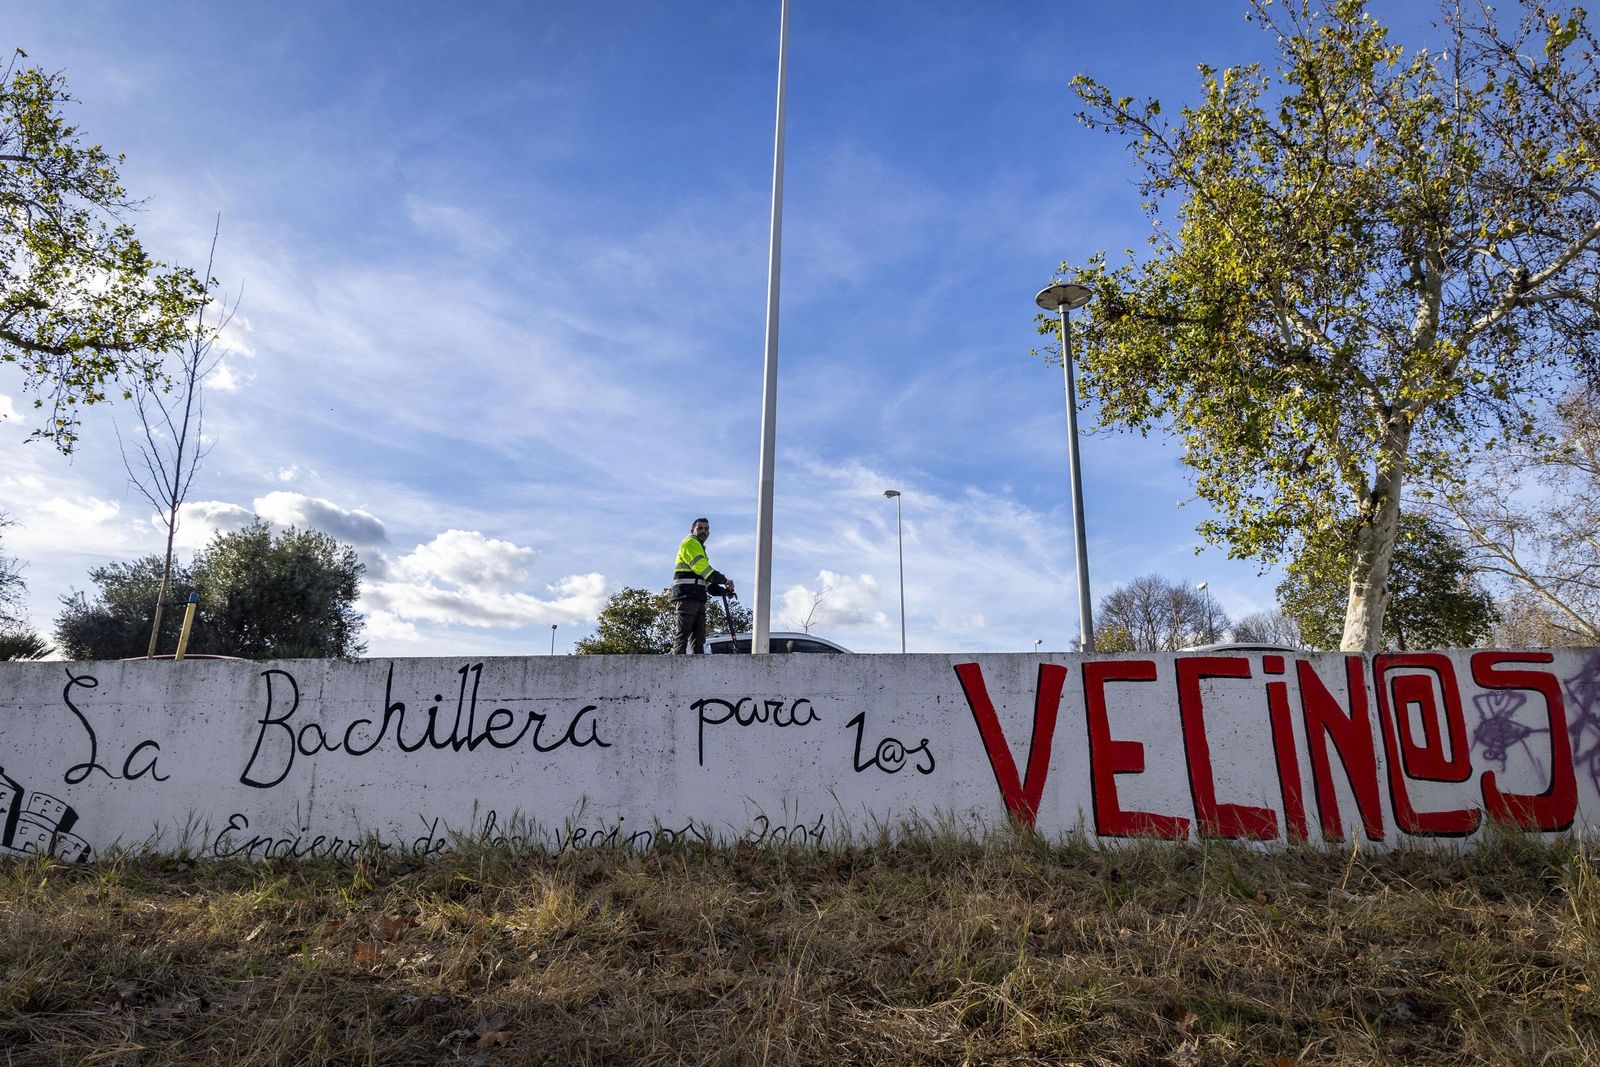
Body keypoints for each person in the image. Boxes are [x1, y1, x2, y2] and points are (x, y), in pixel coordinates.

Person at [671, 517, 734, 654]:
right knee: (683, 634)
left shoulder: (700, 549)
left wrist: (722, 591)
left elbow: (707, 583)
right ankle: (675, 670)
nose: (703, 531)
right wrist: (724, 580)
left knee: (699, 639)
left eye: (706, 529)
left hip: (697, 596)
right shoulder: (690, 543)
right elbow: (704, 570)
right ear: (692, 530)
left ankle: (696, 670)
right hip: (686, 595)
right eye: (700, 528)